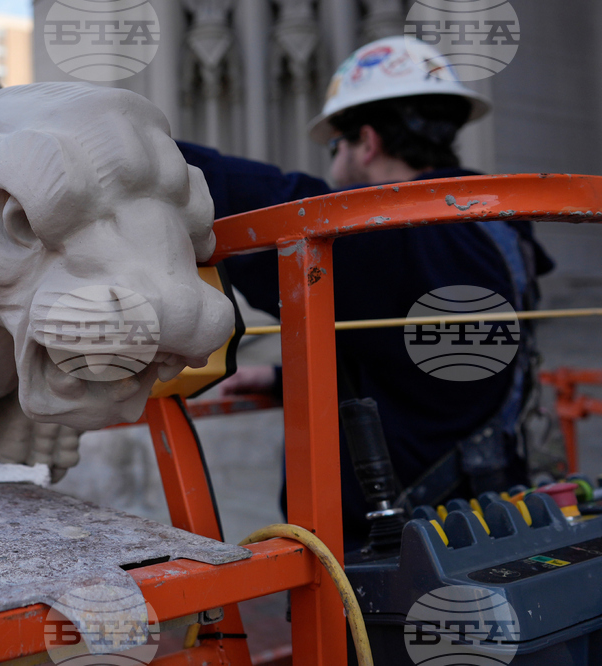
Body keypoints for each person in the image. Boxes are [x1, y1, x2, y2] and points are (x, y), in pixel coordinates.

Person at [179, 36, 554, 550]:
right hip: (494, 517)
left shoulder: (396, 239)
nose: (333, 156)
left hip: (402, 556)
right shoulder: (500, 226)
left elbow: (265, 199)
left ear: (369, 141)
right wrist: (279, 378)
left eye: (336, 142)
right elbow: (423, 361)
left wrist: (136, 143)